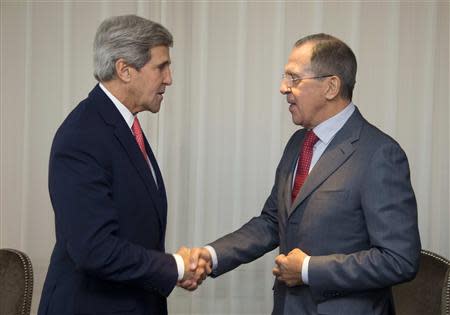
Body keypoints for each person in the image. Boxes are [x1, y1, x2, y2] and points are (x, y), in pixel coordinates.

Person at [184, 34, 421, 314]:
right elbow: (273, 222)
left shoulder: (379, 154)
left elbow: (399, 260)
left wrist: (309, 269)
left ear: (331, 86)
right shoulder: (299, 143)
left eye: (294, 79)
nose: (283, 88)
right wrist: (211, 255)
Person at [38, 15, 207, 315]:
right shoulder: (82, 136)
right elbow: (94, 249)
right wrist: (176, 266)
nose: (169, 78)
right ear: (124, 70)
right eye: (161, 67)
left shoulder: (122, 127)